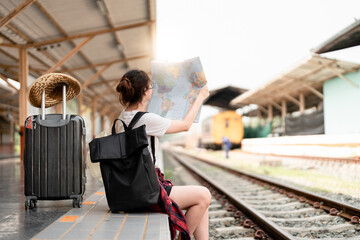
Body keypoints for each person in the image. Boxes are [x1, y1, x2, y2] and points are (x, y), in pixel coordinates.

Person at [116, 69, 211, 240]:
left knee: (202, 202)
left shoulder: (121, 118)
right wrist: (200, 97)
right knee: (204, 194)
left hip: (130, 189)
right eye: (151, 87)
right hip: (147, 192)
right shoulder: (146, 119)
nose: (152, 91)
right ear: (145, 92)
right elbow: (185, 125)